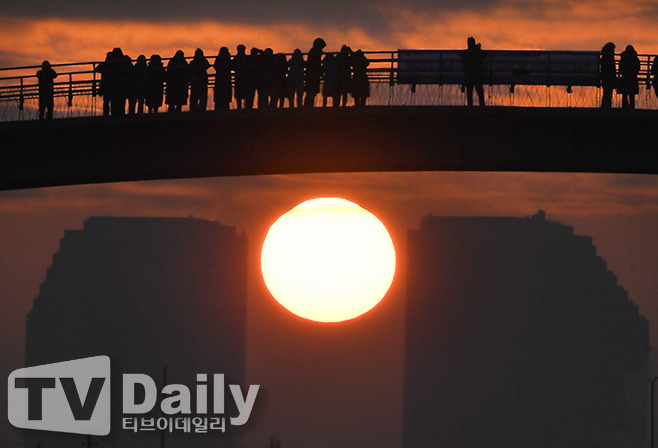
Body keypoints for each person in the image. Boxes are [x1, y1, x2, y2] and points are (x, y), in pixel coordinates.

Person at [459, 37, 486, 107]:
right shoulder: (477, 52)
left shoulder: (467, 53)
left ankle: (470, 106)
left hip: (469, 75)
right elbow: (484, 56)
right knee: (479, 92)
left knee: (470, 92)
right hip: (477, 75)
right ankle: (482, 106)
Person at [304, 37, 326, 107]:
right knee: (311, 90)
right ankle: (308, 106)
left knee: (311, 91)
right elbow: (315, 64)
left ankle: (308, 105)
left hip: (312, 74)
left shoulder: (313, 51)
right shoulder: (314, 52)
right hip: (313, 74)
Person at [618, 44, 640, 109]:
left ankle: (624, 107)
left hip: (624, 77)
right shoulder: (635, 58)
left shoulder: (623, 58)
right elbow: (638, 68)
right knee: (632, 95)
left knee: (624, 94)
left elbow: (620, 68)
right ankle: (632, 108)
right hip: (633, 77)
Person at [94, 51, 113, 116]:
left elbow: (96, 69)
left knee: (106, 102)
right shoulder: (114, 65)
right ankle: (112, 114)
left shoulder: (104, 64)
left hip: (105, 85)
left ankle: (106, 114)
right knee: (112, 101)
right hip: (112, 86)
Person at [599, 42, 617, 109]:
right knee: (609, 93)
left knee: (606, 92)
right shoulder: (610, 57)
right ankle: (607, 106)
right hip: (610, 76)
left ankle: (604, 106)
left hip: (605, 76)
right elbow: (612, 68)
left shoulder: (604, 56)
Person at [233, 45, 247, 109]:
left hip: (238, 77)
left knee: (239, 94)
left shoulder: (236, 58)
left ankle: (239, 107)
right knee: (245, 93)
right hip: (245, 78)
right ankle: (245, 107)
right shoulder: (246, 58)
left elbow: (232, 66)